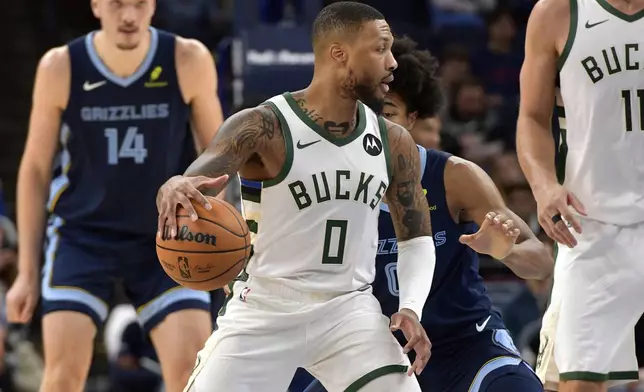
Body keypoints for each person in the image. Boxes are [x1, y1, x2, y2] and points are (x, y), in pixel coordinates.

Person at [157, 3, 436, 391]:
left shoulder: (393, 141)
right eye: (380, 49)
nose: (392, 62)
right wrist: (172, 186)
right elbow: (194, 183)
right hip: (264, 306)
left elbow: (417, 237)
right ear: (339, 53)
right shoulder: (264, 125)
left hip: (349, 311)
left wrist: (410, 306)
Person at [303, 36, 550, 392]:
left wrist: (505, 250)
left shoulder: (455, 177)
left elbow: (541, 262)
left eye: (387, 114)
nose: (373, 127)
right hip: (374, 355)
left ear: (412, 118)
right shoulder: (329, 190)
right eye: (362, 114)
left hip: (465, 346)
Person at [6, 0, 224, 391]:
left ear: (153, 5)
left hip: (167, 233)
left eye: (139, 4)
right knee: (62, 378)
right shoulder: (61, 66)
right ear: (95, 6)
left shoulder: (187, 58)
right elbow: (35, 168)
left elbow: (220, 155)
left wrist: (222, 239)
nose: (128, 15)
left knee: (195, 375)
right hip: (83, 234)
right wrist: (25, 273)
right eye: (117, 3)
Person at [517, 1, 644, 392]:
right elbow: (533, 117)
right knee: (577, 384)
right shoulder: (558, 12)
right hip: (591, 226)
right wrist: (543, 186)